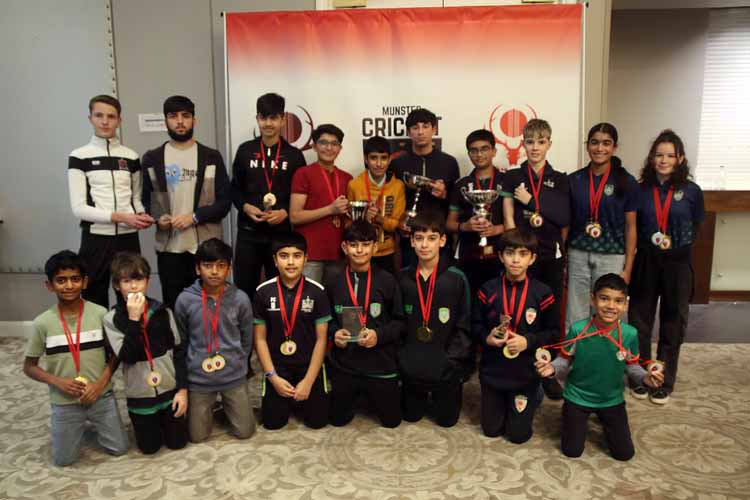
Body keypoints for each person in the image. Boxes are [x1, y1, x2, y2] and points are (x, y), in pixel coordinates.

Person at [536, 274, 664, 460]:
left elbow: (633, 367)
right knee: (572, 451)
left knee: (624, 454)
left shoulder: (630, 334)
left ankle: (605, 421)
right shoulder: (577, 329)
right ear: (592, 299)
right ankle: (571, 415)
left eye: (618, 301)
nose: (611, 306)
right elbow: (563, 361)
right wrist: (552, 369)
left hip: (611, 399)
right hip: (578, 396)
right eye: (604, 298)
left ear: (625, 305)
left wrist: (645, 378)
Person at [23, 250, 128, 466]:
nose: (69, 285)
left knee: (119, 449)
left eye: (75, 279)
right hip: (64, 400)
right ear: (49, 285)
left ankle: (90, 421)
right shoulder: (42, 323)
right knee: (64, 460)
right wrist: (57, 381)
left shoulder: (100, 314)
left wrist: (100, 384)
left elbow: (117, 354)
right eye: (61, 280)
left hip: (100, 395)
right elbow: (29, 367)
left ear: (85, 282)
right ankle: (76, 425)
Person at [628, 130, 704, 405]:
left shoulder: (692, 191)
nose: (664, 160)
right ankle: (640, 375)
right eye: (659, 155)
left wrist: (675, 246)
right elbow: (632, 227)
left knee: (673, 322)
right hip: (647, 260)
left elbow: (696, 225)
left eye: (670, 155)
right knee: (639, 321)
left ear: (680, 158)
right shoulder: (640, 189)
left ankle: (664, 379)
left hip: (677, 262)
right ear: (652, 158)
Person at [142, 95, 231, 309]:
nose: (180, 121)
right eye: (173, 116)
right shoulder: (152, 158)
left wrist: (194, 217)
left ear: (194, 120)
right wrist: (158, 219)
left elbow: (225, 202)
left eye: (186, 116)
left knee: (209, 308)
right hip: (169, 248)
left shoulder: (211, 156)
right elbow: (146, 200)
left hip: (205, 249)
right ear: (165, 120)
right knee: (174, 307)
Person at [502, 118, 570, 399]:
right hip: (521, 255)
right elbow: (508, 216)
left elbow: (562, 217)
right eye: (529, 142)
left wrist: (531, 201)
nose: (535, 148)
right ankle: (518, 365)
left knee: (549, 314)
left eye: (541, 142)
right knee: (520, 310)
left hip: (549, 255)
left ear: (549, 144)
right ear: (522, 144)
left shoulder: (560, 179)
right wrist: (514, 246)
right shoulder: (512, 177)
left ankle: (547, 372)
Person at [68, 95, 153, 308]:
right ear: (90, 118)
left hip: (127, 239)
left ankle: (131, 329)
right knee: (94, 296)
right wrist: (119, 217)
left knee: (131, 295)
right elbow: (79, 208)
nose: (105, 121)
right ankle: (99, 332)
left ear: (119, 120)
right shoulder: (79, 156)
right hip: (96, 239)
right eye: (99, 115)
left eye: (111, 116)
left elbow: (135, 199)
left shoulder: (131, 156)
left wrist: (141, 216)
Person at [472, 229, 557, 443]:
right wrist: (487, 338)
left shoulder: (543, 293)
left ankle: (536, 392)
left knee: (518, 436)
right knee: (491, 430)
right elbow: (474, 325)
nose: (516, 260)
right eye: (510, 253)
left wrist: (527, 341)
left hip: (525, 374)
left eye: (523, 254)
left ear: (532, 259)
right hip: (493, 372)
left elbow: (554, 333)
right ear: (501, 256)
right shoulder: (487, 289)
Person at [103, 252, 189, 454]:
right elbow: (128, 356)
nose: (134, 286)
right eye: (126, 281)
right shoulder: (111, 319)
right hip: (140, 395)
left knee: (178, 443)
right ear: (117, 285)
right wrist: (134, 320)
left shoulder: (163, 311)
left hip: (170, 392)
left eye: (139, 279)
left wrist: (183, 390)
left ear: (147, 281)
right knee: (150, 448)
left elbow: (179, 351)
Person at [174, 238, 255, 442]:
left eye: (221, 265)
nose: (214, 272)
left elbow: (247, 338)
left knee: (245, 432)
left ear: (229, 269)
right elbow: (181, 341)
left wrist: (239, 362)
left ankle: (226, 405)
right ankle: (216, 406)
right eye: (208, 265)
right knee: (197, 437)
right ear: (197, 268)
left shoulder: (240, 299)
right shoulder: (185, 300)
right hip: (199, 378)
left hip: (233, 375)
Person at [397, 213, 473, 427]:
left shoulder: (457, 278)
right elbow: (397, 322)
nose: (424, 245)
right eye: (419, 238)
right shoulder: (402, 278)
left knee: (447, 421)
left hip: (445, 365)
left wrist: (452, 361)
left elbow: (464, 325)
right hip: (412, 365)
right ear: (411, 241)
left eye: (431, 238)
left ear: (442, 240)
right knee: (410, 416)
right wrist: (403, 358)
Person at [326, 221, 405, 428]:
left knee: (392, 422)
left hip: (380, 363)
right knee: (337, 420)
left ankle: (370, 392)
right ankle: (356, 393)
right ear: (344, 247)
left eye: (365, 244)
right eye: (353, 245)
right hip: (345, 363)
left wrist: (378, 335)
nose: (359, 250)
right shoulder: (334, 281)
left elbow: (400, 322)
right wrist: (334, 333)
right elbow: (327, 319)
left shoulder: (387, 280)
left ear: (375, 247)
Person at [231, 93, 307, 299]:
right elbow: (234, 189)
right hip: (249, 233)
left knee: (281, 291)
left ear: (283, 120)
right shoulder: (245, 151)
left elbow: (301, 194)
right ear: (257, 119)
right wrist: (245, 207)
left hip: (280, 235)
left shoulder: (294, 155)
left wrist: (285, 211)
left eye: (273, 118)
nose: (268, 123)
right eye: (263, 118)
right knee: (244, 290)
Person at [253, 231, 331, 429]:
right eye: (284, 256)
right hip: (278, 367)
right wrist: (273, 377)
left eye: (296, 256)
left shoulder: (317, 292)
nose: (290, 262)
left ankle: (305, 394)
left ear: (305, 259)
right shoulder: (263, 292)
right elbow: (260, 340)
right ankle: (285, 397)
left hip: (308, 365)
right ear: (274, 260)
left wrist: (309, 381)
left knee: (317, 422)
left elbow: (322, 340)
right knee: (273, 423)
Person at [565, 123, 639, 331]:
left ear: (614, 147)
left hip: (612, 256)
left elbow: (631, 227)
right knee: (575, 312)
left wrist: (628, 267)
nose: (600, 148)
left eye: (606, 143)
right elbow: (567, 222)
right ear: (587, 146)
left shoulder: (627, 182)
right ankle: (574, 350)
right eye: (595, 143)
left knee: (609, 311)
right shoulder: (574, 180)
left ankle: (612, 351)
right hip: (578, 254)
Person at [391, 108, 460, 267]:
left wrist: (444, 194)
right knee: (410, 278)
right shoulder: (397, 163)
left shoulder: (449, 162)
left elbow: (457, 202)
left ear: (434, 129)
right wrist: (400, 222)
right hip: (409, 236)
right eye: (415, 128)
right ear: (408, 132)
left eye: (425, 126)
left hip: (439, 236)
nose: (420, 132)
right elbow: (392, 198)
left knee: (441, 279)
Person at [290, 124, 353, 283]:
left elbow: (348, 218)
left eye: (334, 143)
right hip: (311, 255)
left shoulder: (347, 178)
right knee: (309, 297)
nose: (329, 148)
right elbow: (295, 217)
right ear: (314, 146)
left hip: (339, 253)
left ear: (340, 148)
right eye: (323, 143)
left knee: (337, 297)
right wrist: (330, 209)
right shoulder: (303, 174)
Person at [447, 129, 506, 293]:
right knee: (470, 300)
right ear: (469, 154)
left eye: (484, 149)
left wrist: (497, 229)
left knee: (499, 300)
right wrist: (465, 226)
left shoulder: (507, 181)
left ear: (494, 151)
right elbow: (449, 224)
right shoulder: (462, 185)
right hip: (469, 254)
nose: (479, 154)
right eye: (474, 150)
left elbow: (517, 221)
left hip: (502, 253)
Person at [346, 136, 406, 274]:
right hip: (360, 251)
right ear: (366, 159)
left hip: (387, 252)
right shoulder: (354, 185)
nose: (379, 164)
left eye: (383, 158)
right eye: (373, 158)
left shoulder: (397, 186)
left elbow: (398, 224)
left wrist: (379, 219)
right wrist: (363, 218)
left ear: (390, 159)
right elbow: (348, 223)